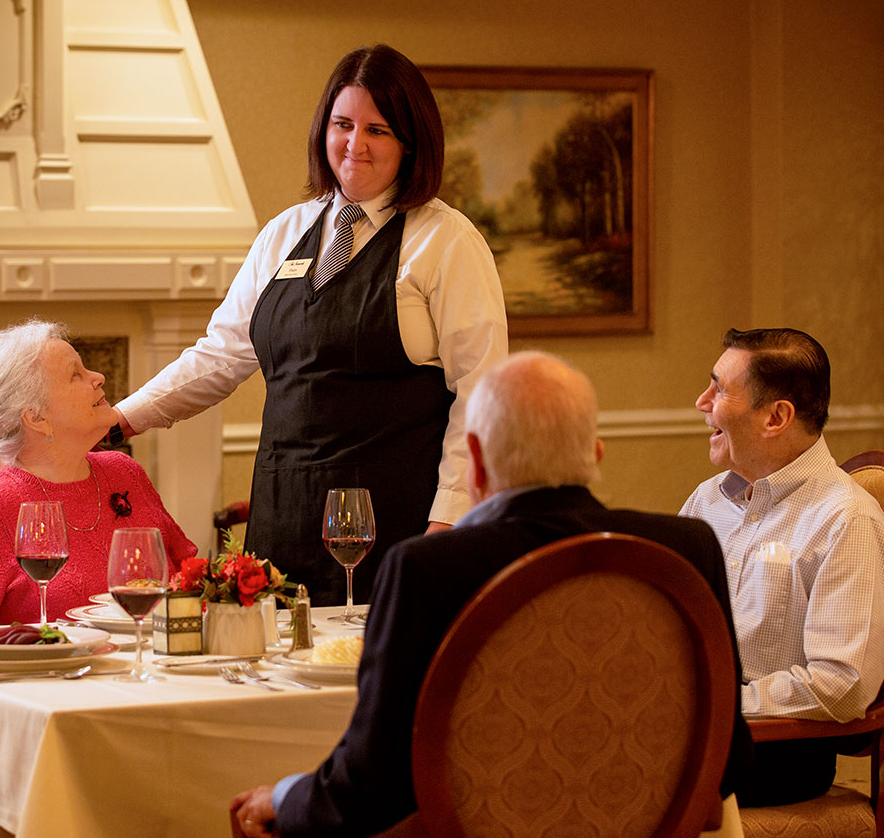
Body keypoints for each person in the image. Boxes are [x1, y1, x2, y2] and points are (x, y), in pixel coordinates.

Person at [230, 352, 752, 838]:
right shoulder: (689, 547)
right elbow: (728, 757)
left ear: (474, 461)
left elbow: (371, 789)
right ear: (594, 455)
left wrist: (282, 796)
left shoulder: (426, 569)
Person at [114, 44, 507, 604]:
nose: (355, 144)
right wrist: (121, 420)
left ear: (412, 142)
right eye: (342, 124)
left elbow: (482, 399)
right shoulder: (284, 232)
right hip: (283, 521)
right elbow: (222, 353)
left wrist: (448, 524)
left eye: (378, 130)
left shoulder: (446, 242)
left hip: (396, 528)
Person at [680, 327, 884, 807]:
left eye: (719, 389)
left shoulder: (845, 519)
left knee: (603, 780)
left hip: (775, 752)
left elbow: (842, 685)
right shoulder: (708, 500)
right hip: (697, 729)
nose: (702, 401)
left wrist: (716, 706)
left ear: (776, 416)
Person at [0, 319, 196, 629]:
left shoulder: (124, 473)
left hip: (149, 669)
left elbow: (191, 582)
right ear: (36, 417)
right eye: (75, 374)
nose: (98, 377)